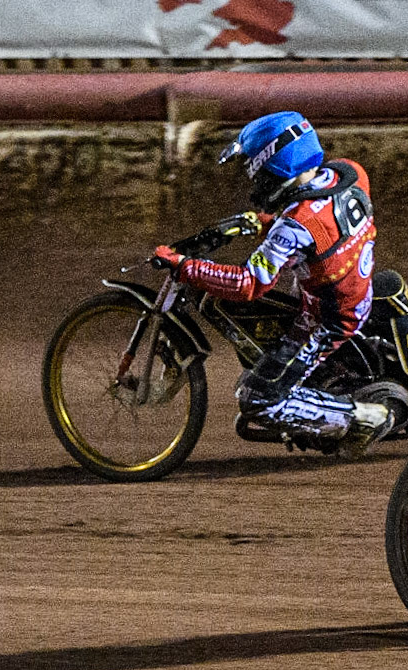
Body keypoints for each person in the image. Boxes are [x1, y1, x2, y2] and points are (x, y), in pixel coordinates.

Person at [153, 111, 391, 456]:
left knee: (256, 399)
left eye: (257, 174)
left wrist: (187, 267)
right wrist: (262, 222)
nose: (255, 184)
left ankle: (362, 417)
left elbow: (249, 283)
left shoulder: (295, 225)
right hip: (352, 287)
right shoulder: (349, 174)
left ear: (276, 165)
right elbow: (322, 225)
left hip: (326, 318)